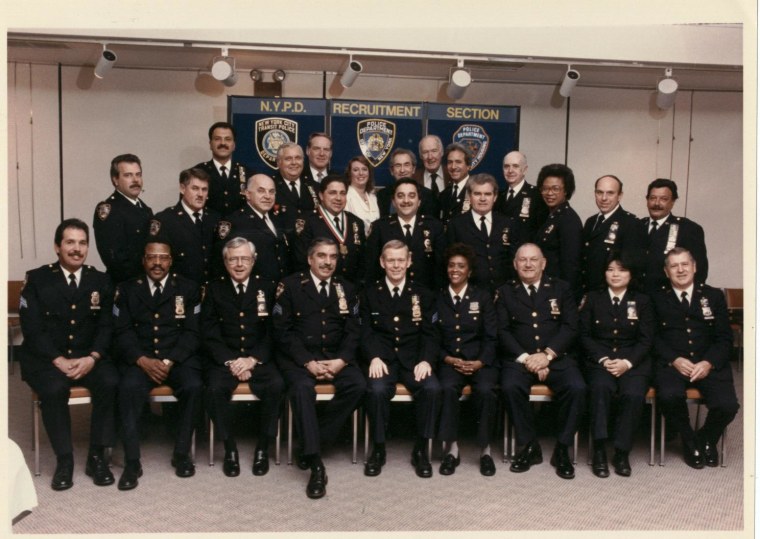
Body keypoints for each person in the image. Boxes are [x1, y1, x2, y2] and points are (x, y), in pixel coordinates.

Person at [18, 218, 119, 490]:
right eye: (70, 242)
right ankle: (65, 461)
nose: (77, 249)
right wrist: (58, 360)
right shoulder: (38, 279)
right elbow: (32, 327)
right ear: (57, 247)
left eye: (82, 242)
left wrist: (93, 358)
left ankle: (97, 456)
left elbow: (107, 325)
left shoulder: (100, 280)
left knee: (110, 382)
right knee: (54, 389)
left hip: (89, 357)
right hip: (48, 359)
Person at [272, 238, 366, 498]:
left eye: (333, 257)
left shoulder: (346, 288)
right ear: (310, 259)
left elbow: (354, 330)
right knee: (302, 389)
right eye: (322, 256)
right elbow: (282, 331)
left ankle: (311, 440)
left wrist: (341, 361)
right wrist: (307, 362)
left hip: (335, 357)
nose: (328, 262)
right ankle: (316, 464)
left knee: (357, 385)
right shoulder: (290, 286)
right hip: (300, 359)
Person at [113, 239, 204, 490]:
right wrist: (142, 360)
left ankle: (182, 454)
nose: (157, 262)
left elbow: (192, 332)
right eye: (152, 257)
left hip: (176, 359)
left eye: (163, 257)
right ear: (143, 260)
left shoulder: (187, 288)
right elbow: (122, 332)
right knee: (127, 388)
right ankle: (132, 462)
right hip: (141, 359)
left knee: (194, 386)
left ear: (171, 261)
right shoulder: (128, 289)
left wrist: (169, 360)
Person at [495, 243, 585, 479]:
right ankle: (529, 446)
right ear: (515, 264)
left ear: (543, 263)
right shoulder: (505, 292)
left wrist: (546, 356)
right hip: (520, 359)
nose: (527, 264)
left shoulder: (561, 289)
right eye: (522, 260)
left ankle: (563, 448)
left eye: (533, 260)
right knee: (510, 386)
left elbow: (570, 326)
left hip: (555, 358)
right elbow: (502, 331)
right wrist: (528, 359)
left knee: (577, 387)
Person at [202, 237, 285, 477]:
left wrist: (252, 359)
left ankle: (262, 447)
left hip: (258, 359)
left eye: (244, 259)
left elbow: (274, 331)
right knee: (214, 388)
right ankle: (230, 449)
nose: (239, 264)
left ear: (254, 260)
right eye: (233, 259)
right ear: (225, 261)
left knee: (277, 385)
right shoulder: (214, 288)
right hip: (225, 359)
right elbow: (208, 331)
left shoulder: (268, 287)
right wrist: (232, 361)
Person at [360, 240, 441, 478]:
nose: (396, 265)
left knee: (432, 389)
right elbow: (364, 331)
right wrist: (373, 356)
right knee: (375, 391)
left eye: (400, 260)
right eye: (391, 260)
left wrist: (426, 360)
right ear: (382, 262)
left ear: (409, 262)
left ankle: (421, 449)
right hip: (383, 360)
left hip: (414, 360)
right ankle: (379, 448)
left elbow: (431, 333)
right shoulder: (369, 293)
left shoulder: (423, 294)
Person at [653, 247, 738, 469]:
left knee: (728, 406)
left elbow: (724, 338)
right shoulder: (656, 297)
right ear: (666, 271)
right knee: (669, 397)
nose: (680, 270)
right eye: (674, 265)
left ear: (694, 267)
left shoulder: (713, 296)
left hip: (707, 363)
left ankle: (706, 438)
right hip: (672, 365)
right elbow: (652, 338)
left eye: (684, 264)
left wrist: (708, 363)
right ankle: (689, 440)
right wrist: (674, 360)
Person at [579, 252, 654, 477]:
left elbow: (646, 339)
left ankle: (621, 452)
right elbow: (583, 335)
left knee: (632, 393)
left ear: (630, 274)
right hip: (600, 361)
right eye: (611, 269)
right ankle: (600, 449)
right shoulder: (592, 298)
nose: (615, 274)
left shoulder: (643, 301)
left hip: (633, 362)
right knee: (600, 389)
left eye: (621, 270)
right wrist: (603, 359)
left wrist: (627, 362)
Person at [435, 243, 499, 476]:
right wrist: (449, 360)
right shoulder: (438, 298)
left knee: (485, 390)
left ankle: (485, 451)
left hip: (480, 362)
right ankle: (452, 450)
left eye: (461, 266)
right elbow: (433, 339)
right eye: (451, 265)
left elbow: (492, 336)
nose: (455, 270)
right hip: (451, 362)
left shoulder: (482, 297)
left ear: (469, 271)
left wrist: (481, 362)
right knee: (448, 388)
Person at [446, 173, 525, 292]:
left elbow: (515, 259)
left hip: (505, 293)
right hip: (471, 294)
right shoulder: (456, 225)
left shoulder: (508, 223)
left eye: (487, 194)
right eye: (477, 194)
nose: (483, 198)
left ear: (495, 197)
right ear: (469, 196)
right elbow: (450, 263)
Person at [365, 178, 446, 290]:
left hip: (426, 296)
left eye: (412, 196)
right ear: (393, 201)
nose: (406, 200)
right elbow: (371, 270)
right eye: (400, 196)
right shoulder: (380, 228)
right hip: (389, 296)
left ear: (419, 201)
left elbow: (440, 269)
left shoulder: (434, 227)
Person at [215, 173, 291, 286]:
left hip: (281, 291)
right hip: (253, 293)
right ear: (247, 194)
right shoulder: (234, 222)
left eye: (271, 191)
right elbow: (224, 265)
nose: (267, 196)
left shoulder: (278, 219)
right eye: (261, 191)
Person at [149, 167, 220, 284]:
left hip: (212, 292)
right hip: (180, 291)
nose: (200, 194)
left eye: (204, 189)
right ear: (182, 188)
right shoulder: (165, 220)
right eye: (195, 188)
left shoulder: (215, 218)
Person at [292, 175, 366, 285]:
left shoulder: (355, 222)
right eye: (332, 193)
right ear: (321, 195)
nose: (338, 198)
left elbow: (363, 260)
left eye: (342, 193)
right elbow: (301, 262)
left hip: (350, 288)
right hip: (318, 288)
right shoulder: (306, 221)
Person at [93, 153, 153, 284]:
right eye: (128, 175)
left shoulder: (146, 210)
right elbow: (114, 259)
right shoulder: (108, 210)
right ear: (115, 180)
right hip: (125, 286)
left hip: (147, 284)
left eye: (138, 174)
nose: (135, 180)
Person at [640, 179, 709, 292]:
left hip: (668, 300)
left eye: (664, 199)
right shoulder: (637, 226)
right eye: (652, 198)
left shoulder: (688, 229)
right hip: (639, 299)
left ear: (672, 202)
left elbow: (699, 271)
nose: (657, 203)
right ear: (647, 200)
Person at [581, 175, 645, 293]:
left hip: (610, 296)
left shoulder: (631, 224)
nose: (604, 198)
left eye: (610, 193)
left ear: (620, 196)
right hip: (588, 293)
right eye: (599, 192)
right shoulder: (591, 222)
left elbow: (633, 270)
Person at [535, 163, 583, 298]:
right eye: (545, 188)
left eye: (555, 189)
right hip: (546, 289)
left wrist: (565, 298)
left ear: (566, 190)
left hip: (558, 293)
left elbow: (571, 267)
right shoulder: (548, 216)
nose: (549, 193)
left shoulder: (569, 220)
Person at [194, 122, 248, 215]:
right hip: (206, 227)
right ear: (210, 144)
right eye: (217, 139)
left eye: (228, 139)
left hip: (239, 228)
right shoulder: (197, 172)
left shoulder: (246, 173)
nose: (223, 143)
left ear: (234, 145)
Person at [271, 142, 319, 234]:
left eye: (298, 158)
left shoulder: (315, 187)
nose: (294, 162)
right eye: (288, 159)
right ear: (278, 162)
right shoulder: (270, 186)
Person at [376, 148, 439, 219]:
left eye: (406, 165)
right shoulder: (382, 195)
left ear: (413, 169)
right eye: (398, 165)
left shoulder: (428, 196)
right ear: (391, 171)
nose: (402, 170)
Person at [494, 150, 544, 238]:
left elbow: (540, 231)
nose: (510, 170)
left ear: (524, 170)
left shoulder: (536, 195)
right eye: (506, 166)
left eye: (515, 166)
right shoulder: (498, 196)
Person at [344, 155, 380, 234]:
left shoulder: (373, 197)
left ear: (369, 173)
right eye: (356, 170)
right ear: (350, 173)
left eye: (364, 169)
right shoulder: (346, 196)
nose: (361, 173)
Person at [439, 143, 472, 224]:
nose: (453, 167)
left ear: (468, 166)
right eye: (450, 162)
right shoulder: (443, 194)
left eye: (458, 162)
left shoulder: (476, 191)